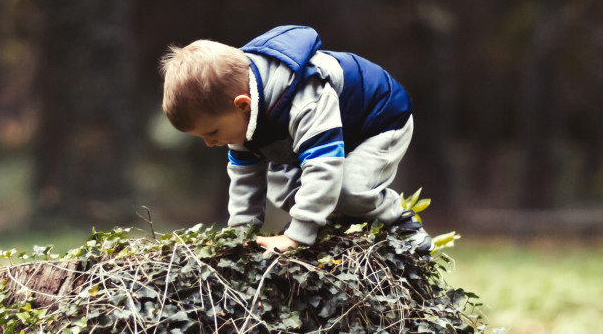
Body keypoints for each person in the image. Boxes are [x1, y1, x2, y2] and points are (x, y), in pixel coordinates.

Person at [159, 25, 431, 253]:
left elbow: (324, 164)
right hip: (319, 133)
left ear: (242, 104)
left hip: (377, 121)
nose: (210, 143)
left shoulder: (303, 96)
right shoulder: (240, 108)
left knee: (349, 191)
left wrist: (296, 237)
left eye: (212, 133)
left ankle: (401, 223)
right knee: (284, 189)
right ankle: (328, 223)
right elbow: (244, 178)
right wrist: (241, 238)